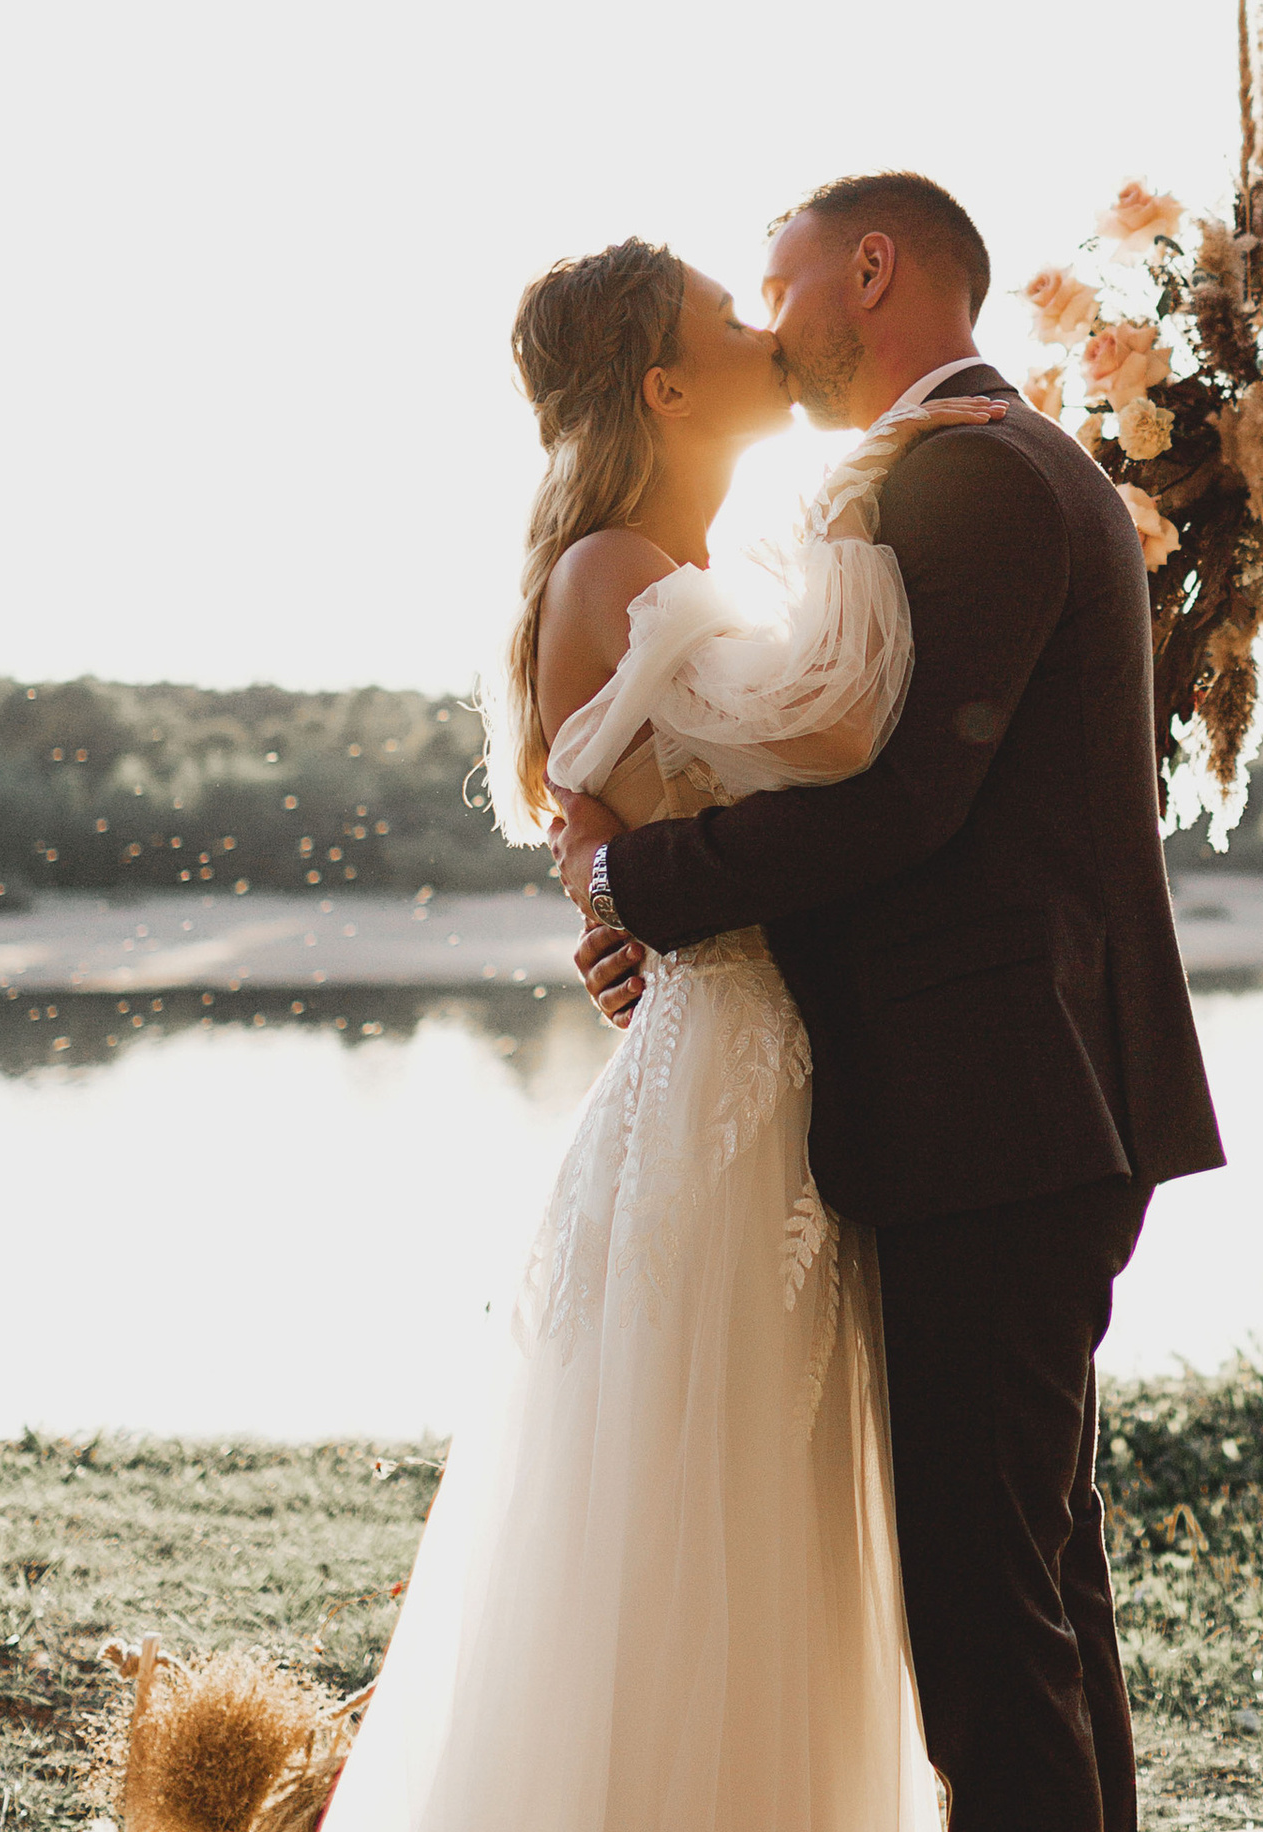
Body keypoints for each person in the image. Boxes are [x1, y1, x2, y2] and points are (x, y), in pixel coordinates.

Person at [553, 172, 1224, 1832]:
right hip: (1016, 1099)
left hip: (1006, 1105)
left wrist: (639, 891)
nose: (768, 330)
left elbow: (904, 804)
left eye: (776, 285)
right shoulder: (968, 469)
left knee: (987, 1612)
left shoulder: (975, 475)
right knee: (1034, 1580)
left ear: (870, 267)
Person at [324, 233, 993, 1831]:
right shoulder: (616, 571)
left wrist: (620, 892)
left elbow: (697, 822)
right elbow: (836, 728)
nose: (769, 326)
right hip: (724, 1098)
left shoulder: (672, 569)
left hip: (761, 1067)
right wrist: (871, 488)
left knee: (773, 1524)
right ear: (668, 385)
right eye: (725, 313)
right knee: (713, 1515)